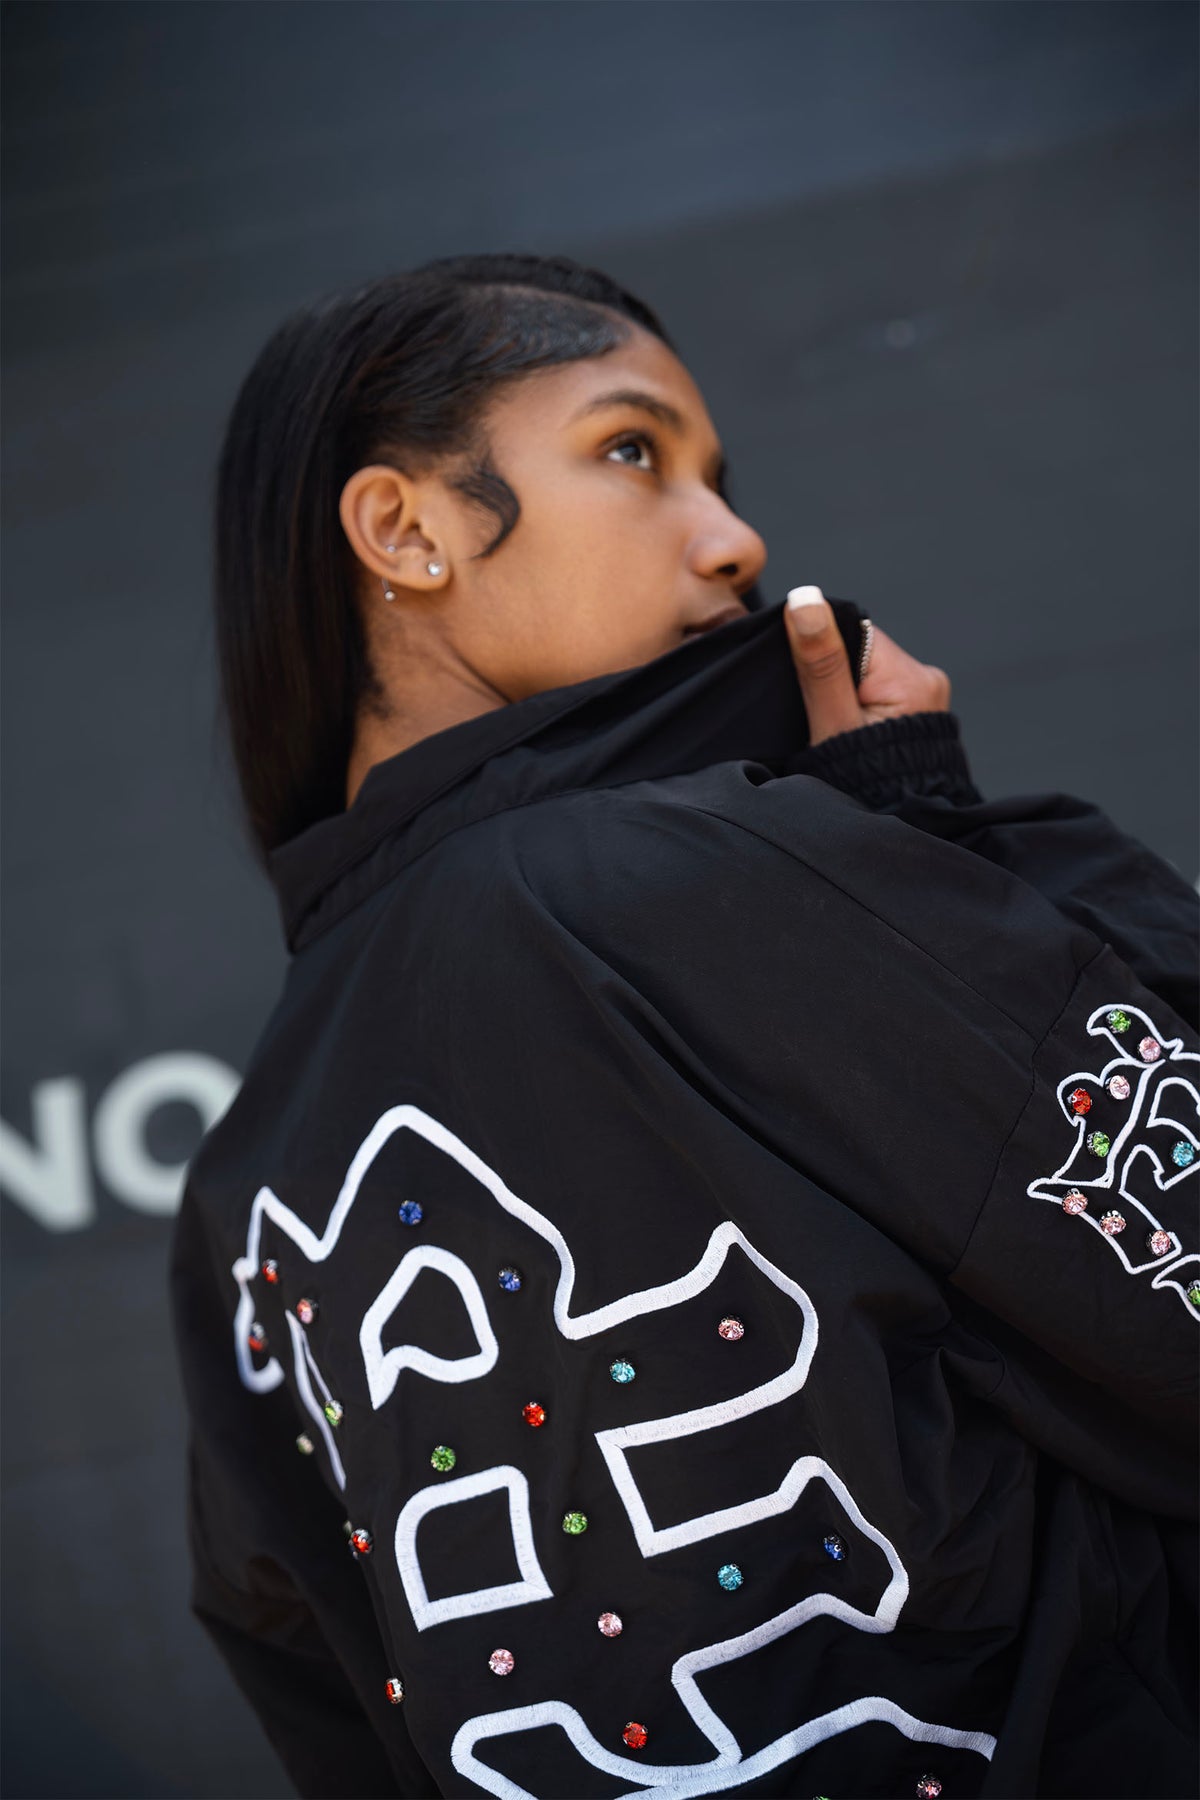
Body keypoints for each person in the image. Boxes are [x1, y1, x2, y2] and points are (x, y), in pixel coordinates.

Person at [168, 252, 1198, 1800]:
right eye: (632, 450)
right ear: (406, 530)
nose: (733, 540)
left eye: (716, 475)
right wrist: (936, 842)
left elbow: (328, 1706)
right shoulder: (688, 876)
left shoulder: (239, 1188)